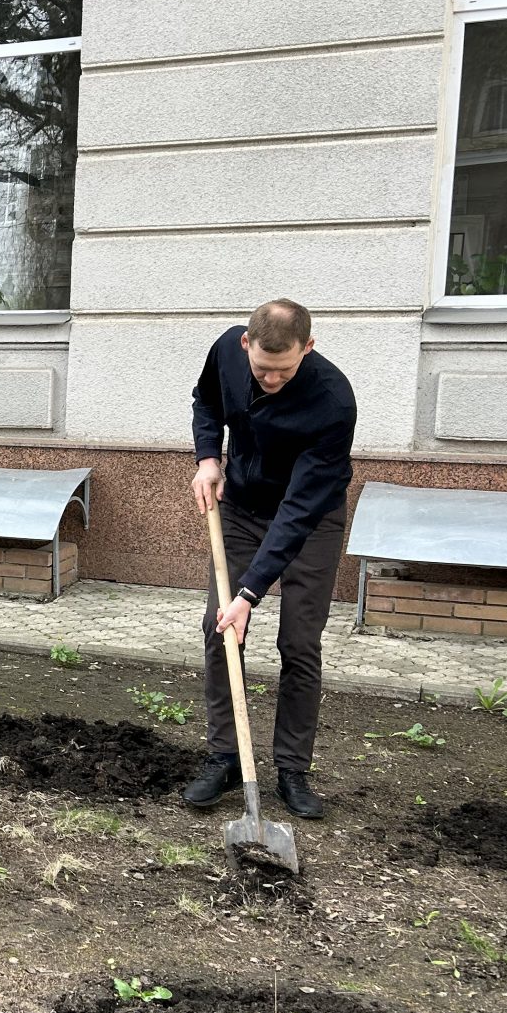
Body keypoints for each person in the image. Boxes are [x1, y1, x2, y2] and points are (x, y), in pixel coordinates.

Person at [183, 298, 357, 821]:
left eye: (284, 369)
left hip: (310, 520)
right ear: (246, 345)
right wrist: (208, 458)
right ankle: (225, 756)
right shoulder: (226, 350)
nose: (273, 379)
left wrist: (250, 593)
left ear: (309, 347)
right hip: (242, 506)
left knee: (299, 642)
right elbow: (206, 401)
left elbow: (297, 514)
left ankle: (292, 770)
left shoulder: (332, 401)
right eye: (262, 369)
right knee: (221, 628)